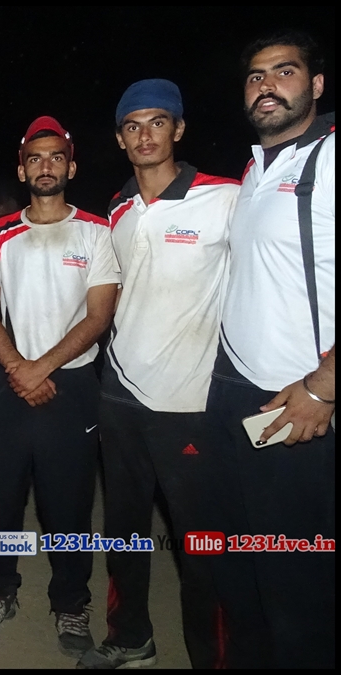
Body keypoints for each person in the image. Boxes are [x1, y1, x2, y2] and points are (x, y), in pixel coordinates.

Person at [77, 80, 239, 670]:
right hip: (119, 396)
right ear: (120, 139)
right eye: (133, 126)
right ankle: (130, 637)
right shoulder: (117, 210)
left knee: (202, 547)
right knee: (123, 532)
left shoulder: (225, 198)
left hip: (189, 401)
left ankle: (214, 658)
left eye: (157, 122)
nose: (145, 135)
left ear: (179, 129)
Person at [0, 116, 120, 660]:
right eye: (35, 158)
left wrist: (42, 368)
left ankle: (70, 600)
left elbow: (99, 315)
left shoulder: (97, 232)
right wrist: (18, 367)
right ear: (22, 170)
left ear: (71, 167)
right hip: (5, 380)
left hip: (72, 384)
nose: (46, 166)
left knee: (68, 502)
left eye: (56, 157)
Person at [209, 29, 334, 669]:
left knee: (297, 588)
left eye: (285, 72)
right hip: (237, 394)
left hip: (298, 402)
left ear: (316, 85)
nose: (267, 86)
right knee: (242, 574)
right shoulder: (257, 168)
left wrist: (323, 388)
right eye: (256, 76)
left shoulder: (331, 158)